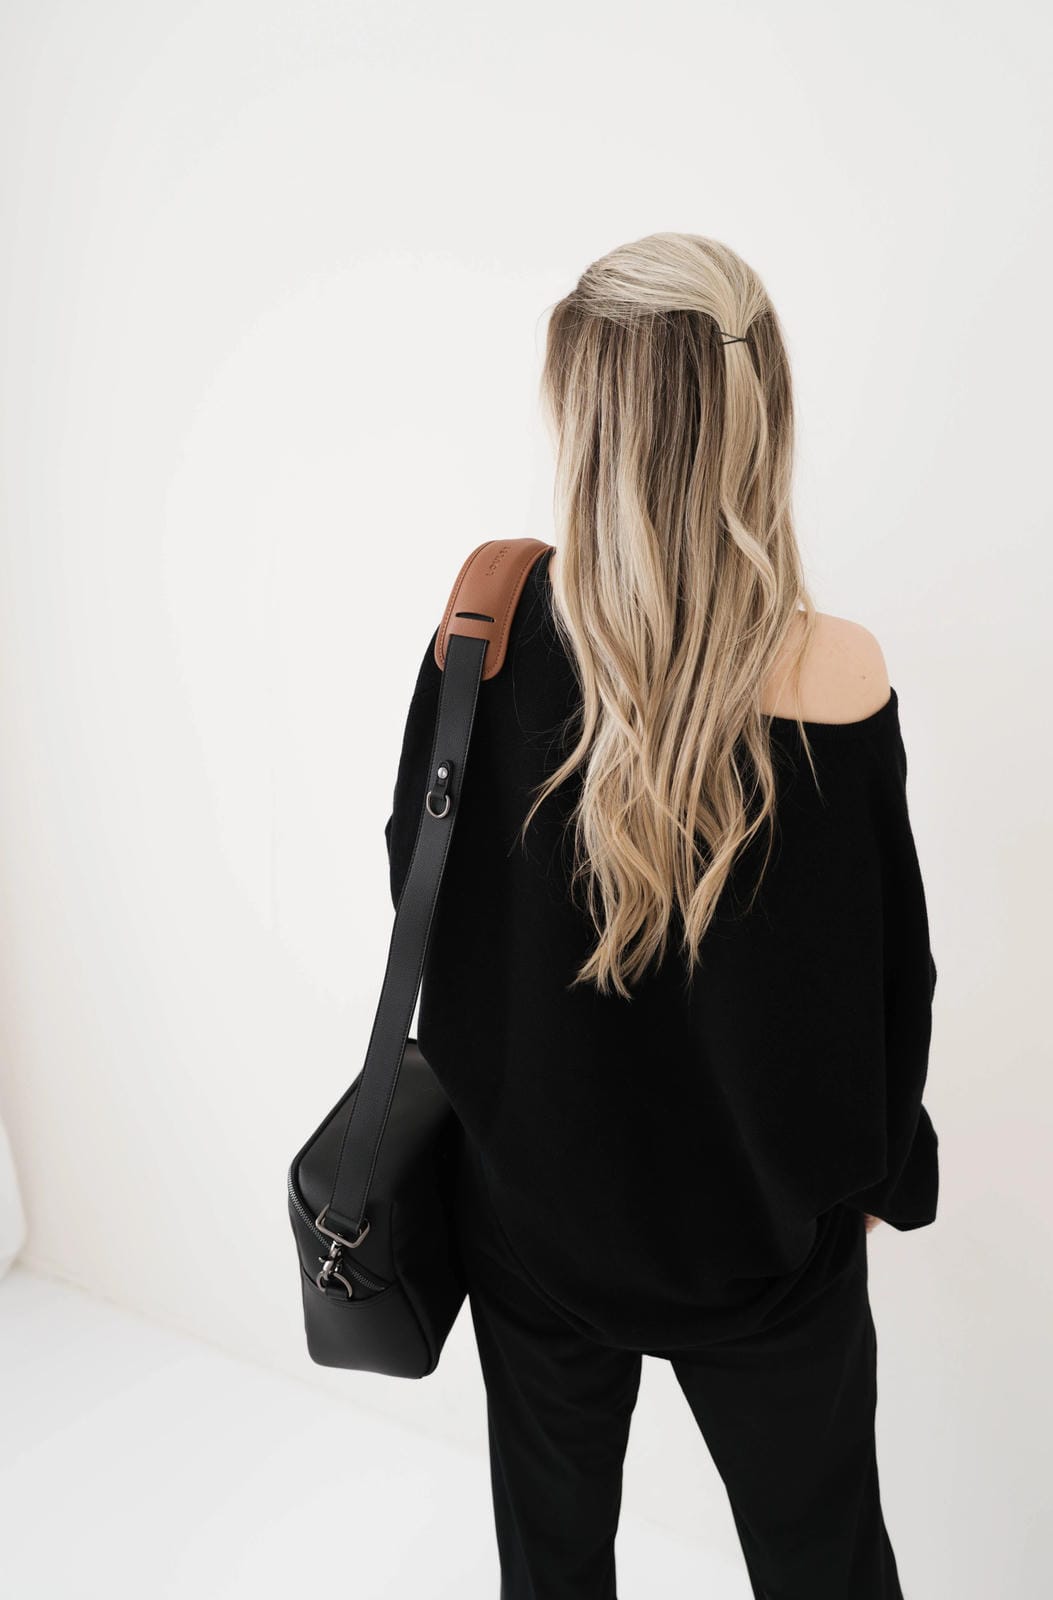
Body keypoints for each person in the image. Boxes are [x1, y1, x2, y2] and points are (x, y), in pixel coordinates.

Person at [384, 232, 939, 1600]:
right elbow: (886, 986)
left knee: (552, 1572)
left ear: (582, 417)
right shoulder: (831, 673)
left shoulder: (484, 627)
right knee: (824, 1567)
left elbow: (420, 889)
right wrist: (875, 1183)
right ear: (761, 414)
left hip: (535, 1228)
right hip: (761, 1250)